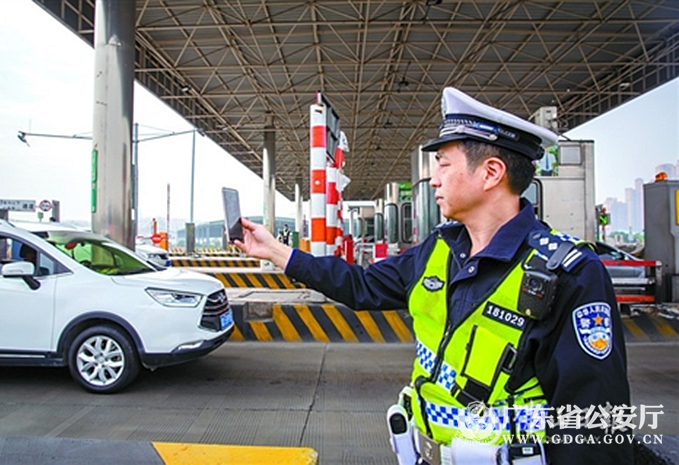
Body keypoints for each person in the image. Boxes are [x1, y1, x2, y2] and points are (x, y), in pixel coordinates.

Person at [234, 87, 632, 464]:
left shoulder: (570, 274)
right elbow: (362, 286)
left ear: (491, 173)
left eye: (443, 164)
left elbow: (595, 424)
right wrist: (277, 252)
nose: (435, 179)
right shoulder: (438, 251)